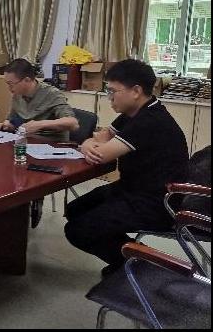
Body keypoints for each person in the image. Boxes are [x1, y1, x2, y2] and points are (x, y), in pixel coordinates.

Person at [65, 59, 189, 278]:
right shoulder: (135, 112)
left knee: (77, 230)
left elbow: (100, 155)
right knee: (75, 210)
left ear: (136, 91)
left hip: (156, 202)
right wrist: (91, 143)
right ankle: (127, 256)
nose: (109, 97)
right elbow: (102, 136)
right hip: (132, 188)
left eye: (113, 91)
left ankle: (141, 265)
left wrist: (85, 144)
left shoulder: (149, 120)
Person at [0, 58, 79, 142]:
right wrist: (7, 125)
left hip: (51, 144)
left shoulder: (52, 94)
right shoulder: (17, 93)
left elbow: (73, 123)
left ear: (27, 80)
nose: (9, 88)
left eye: (11, 84)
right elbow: (12, 121)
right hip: (26, 140)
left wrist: (39, 124)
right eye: (7, 84)